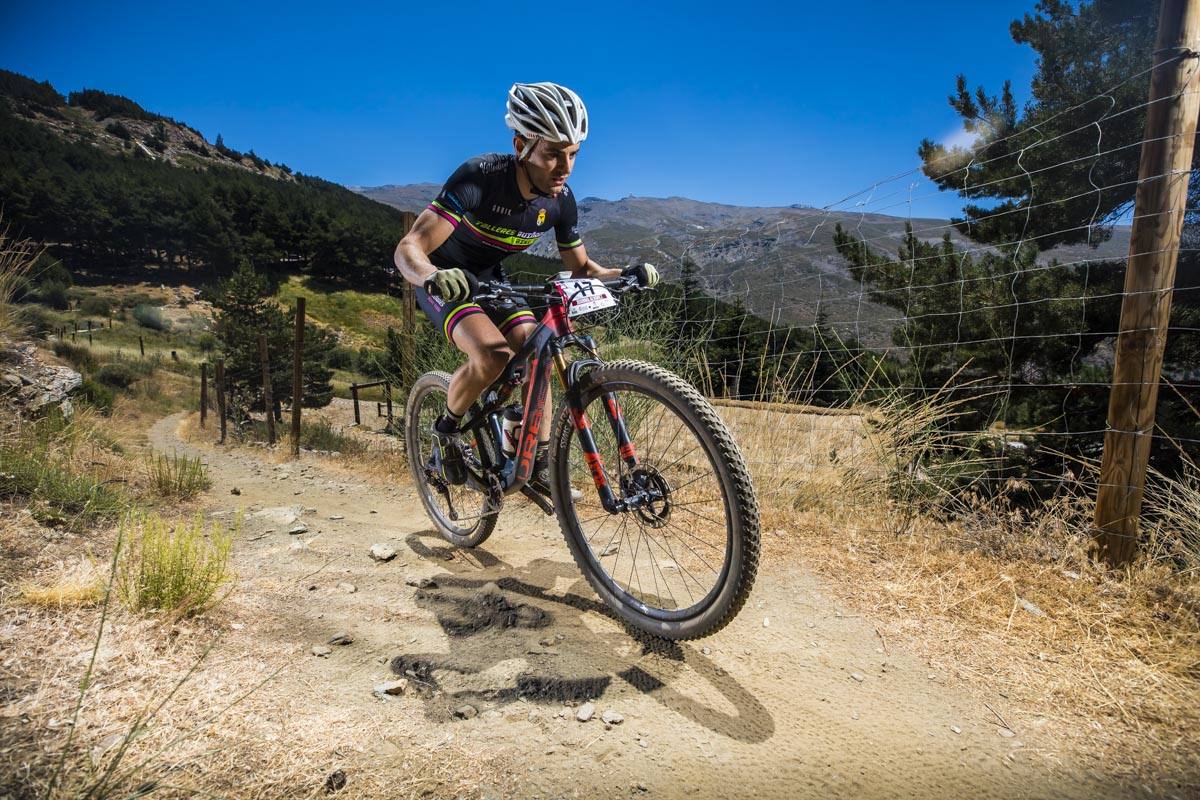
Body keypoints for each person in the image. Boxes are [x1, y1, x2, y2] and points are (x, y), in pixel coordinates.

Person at [393, 82, 659, 494]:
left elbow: (582, 267)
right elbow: (409, 246)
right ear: (521, 144)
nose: (565, 166)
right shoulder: (480, 179)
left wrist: (627, 274)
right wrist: (430, 276)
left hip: (491, 280)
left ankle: (536, 462)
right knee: (493, 354)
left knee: (539, 352)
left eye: (572, 154)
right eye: (553, 153)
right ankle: (446, 430)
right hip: (445, 278)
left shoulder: (559, 201)